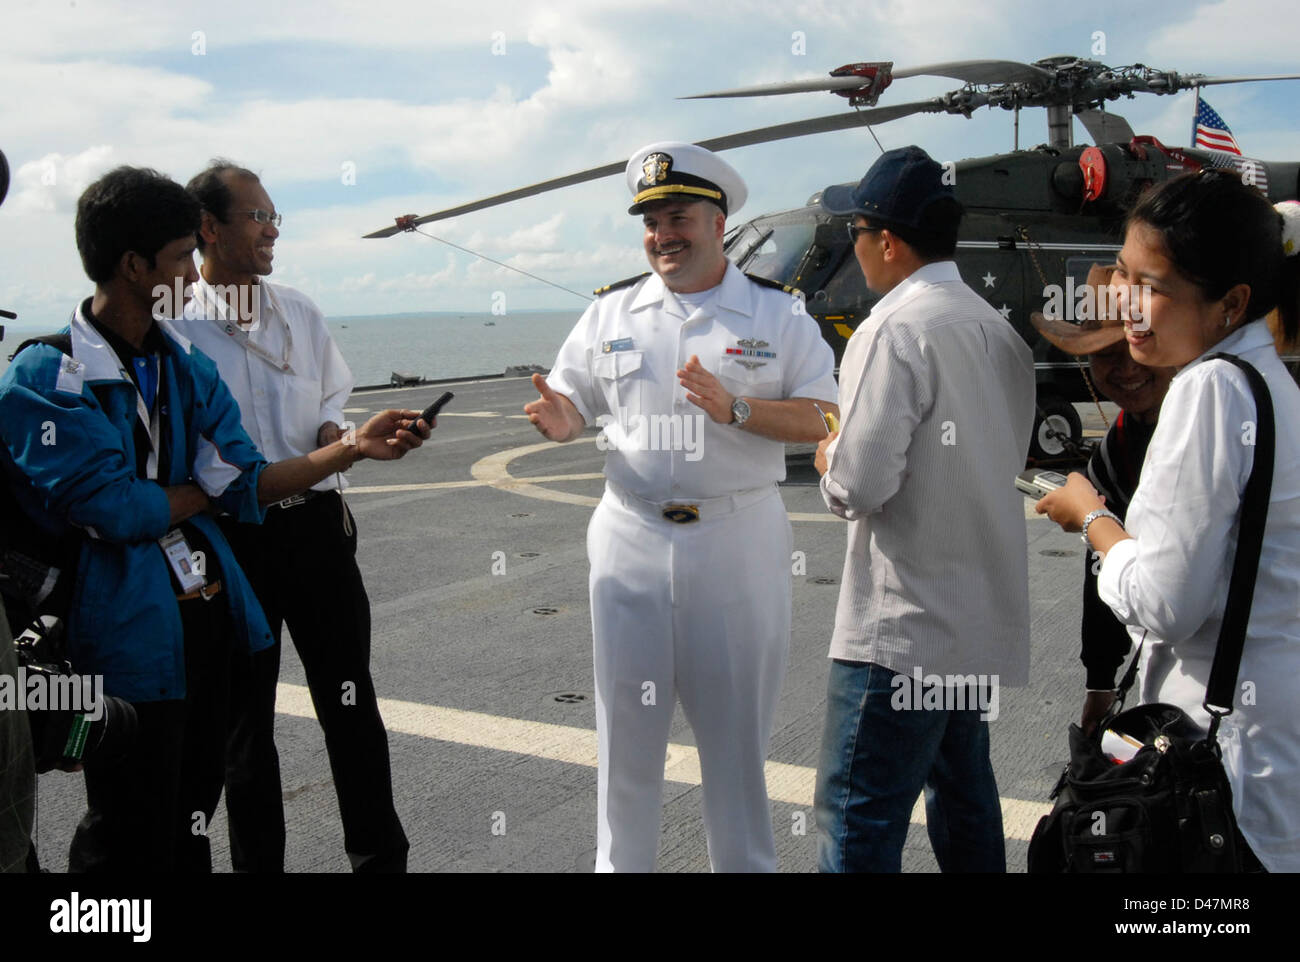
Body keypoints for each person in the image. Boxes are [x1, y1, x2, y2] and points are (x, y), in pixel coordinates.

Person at [0, 166, 428, 872]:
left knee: (196, 797)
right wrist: (206, 492)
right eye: (178, 259)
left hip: (213, 595)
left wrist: (347, 444)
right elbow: (118, 508)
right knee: (137, 811)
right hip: (138, 616)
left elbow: (244, 474)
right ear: (142, 265)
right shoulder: (53, 372)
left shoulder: (184, 363)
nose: (189, 277)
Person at [524, 141, 838, 872]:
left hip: (735, 539)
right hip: (629, 539)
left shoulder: (778, 314)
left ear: (719, 221)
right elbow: (572, 402)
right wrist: (562, 420)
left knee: (734, 749)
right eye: (652, 220)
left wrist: (737, 410)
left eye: (680, 217)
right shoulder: (611, 313)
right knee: (626, 743)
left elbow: (827, 418)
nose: (663, 234)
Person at [1037, 174, 1300, 872]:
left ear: (1230, 304)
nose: (1129, 306)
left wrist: (1093, 517)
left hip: (1220, 768)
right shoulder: (1267, 382)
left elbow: (1165, 605)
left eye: (1153, 286)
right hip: (1269, 752)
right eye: (1124, 276)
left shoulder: (1208, 390)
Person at [179, 161, 409, 873]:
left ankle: (379, 859)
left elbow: (329, 395)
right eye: (257, 216)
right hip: (234, 540)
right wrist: (343, 448)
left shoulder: (300, 312)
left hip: (315, 530)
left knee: (351, 705)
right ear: (208, 229)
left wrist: (332, 431)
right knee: (245, 730)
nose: (273, 228)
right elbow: (207, 466)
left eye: (275, 215)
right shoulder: (176, 328)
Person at [812, 145, 1035, 873]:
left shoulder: (890, 330)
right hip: (972, 621)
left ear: (886, 239)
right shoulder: (997, 332)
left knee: (856, 821)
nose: (853, 245)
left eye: (857, 230)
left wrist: (828, 460)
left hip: (900, 631)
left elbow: (860, 486)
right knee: (966, 802)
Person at [1029, 265, 1176, 733]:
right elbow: (1101, 565)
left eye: (1136, 348)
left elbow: (1179, 598)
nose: (1126, 369)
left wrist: (1089, 515)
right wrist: (1100, 681)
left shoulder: (1196, 428)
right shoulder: (1120, 443)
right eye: (1105, 354)